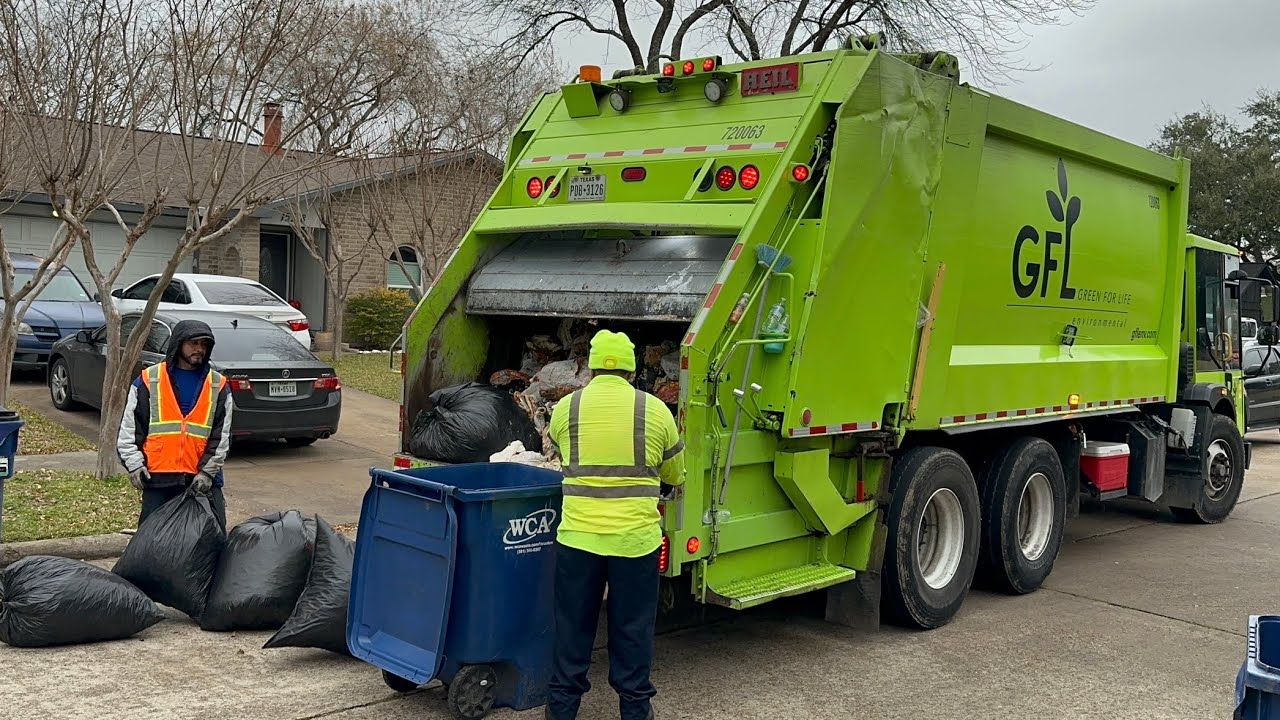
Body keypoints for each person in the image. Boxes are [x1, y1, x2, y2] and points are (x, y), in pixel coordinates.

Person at [545, 329, 686, 720]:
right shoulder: (656, 410)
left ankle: (561, 709)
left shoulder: (566, 409)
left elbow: (562, 452)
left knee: (573, 627)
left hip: (578, 539)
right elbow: (676, 474)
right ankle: (635, 709)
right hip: (635, 543)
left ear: (591, 366)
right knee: (632, 628)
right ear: (631, 367)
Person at [116, 319, 233, 530]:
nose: (199, 349)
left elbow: (221, 435)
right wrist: (134, 464)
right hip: (159, 479)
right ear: (178, 343)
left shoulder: (218, 384)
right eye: (193, 343)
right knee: (152, 544)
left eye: (204, 344)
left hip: (202, 480)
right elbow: (130, 429)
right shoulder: (150, 380)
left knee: (211, 542)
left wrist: (207, 473)